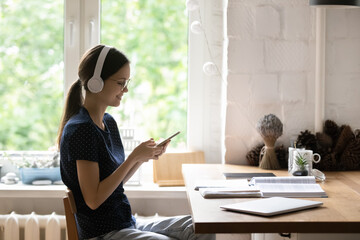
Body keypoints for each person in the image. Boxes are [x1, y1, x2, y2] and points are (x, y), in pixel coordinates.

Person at [57, 44, 215, 240]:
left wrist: (142, 158)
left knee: (202, 226)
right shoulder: (81, 130)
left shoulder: (108, 122)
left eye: (127, 82)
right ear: (96, 82)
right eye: (120, 82)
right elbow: (94, 199)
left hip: (124, 222)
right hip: (103, 233)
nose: (126, 89)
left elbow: (113, 184)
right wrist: (133, 157)